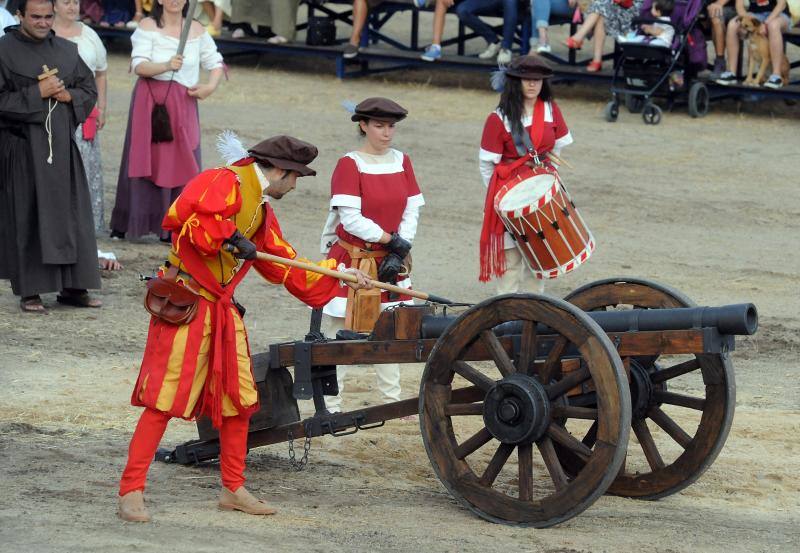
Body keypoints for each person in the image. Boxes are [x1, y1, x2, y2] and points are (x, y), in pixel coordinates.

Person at [117, 133, 372, 523]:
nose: (295, 185)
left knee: (238, 397)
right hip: (187, 301)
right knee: (163, 397)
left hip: (220, 308)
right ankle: (131, 491)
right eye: (295, 177)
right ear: (281, 172)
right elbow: (188, 218)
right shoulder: (224, 181)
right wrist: (232, 238)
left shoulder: (260, 207)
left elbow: (283, 263)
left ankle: (232, 488)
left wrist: (339, 274)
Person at [320, 98, 425, 416]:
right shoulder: (349, 164)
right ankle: (331, 403)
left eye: (391, 126)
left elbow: (412, 207)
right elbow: (350, 219)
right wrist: (391, 240)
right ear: (363, 125)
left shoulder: (402, 161)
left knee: (389, 329)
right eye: (379, 125)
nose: (386, 132)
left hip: (391, 259)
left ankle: (392, 402)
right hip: (356, 259)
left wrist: (401, 245)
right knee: (342, 330)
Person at [0, 0, 102, 312]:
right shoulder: (3, 51)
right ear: (19, 15)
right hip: (22, 149)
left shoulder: (66, 51)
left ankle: (73, 287)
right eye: (36, 17)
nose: (43, 23)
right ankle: (29, 291)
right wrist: (37, 93)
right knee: (28, 216)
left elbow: (88, 88)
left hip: (60, 147)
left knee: (71, 214)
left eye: (48, 16)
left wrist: (69, 95)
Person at [110, 0, 224, 241]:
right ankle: (132, 223)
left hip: (183, 102)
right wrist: (165, 65)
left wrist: (209, 87)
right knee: (146, 162)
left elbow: (215, 62)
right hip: (150, 102)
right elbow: (139, 65)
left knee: (182, 162)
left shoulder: (196, 28)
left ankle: (172, 226)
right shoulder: (148, 26)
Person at [478, 54, 573, 293]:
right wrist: (502, 198)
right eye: (526, 79)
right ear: (514, 81)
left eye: (537, 79)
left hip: (541, 190)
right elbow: (486, 165)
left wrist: (547, 182)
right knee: (510, 264)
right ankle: (506, 319)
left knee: (539, 260)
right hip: (509, 193)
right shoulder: (498, 118)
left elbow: (557, 147)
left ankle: (533, 315)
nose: (532, 84)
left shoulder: (551, 110)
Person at [715, 0, 791, 88]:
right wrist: (746, 18)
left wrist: (766, 23)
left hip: (778, 14)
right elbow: (739, 6)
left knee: (773, 26)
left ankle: (776, 76)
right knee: (733, 25)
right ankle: (731, 72)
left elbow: (781, 4)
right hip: (755, 15)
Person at [564, 0, 645, 71]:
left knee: (602, 7)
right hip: (614, 7)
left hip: (633, 12)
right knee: (602, 13)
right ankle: (596, 60)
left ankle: (578, 38)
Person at [706, 0, 737, 78]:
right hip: (706, 8)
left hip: (730, 8)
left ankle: (720, 61)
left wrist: (719, 3)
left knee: (716, 16)